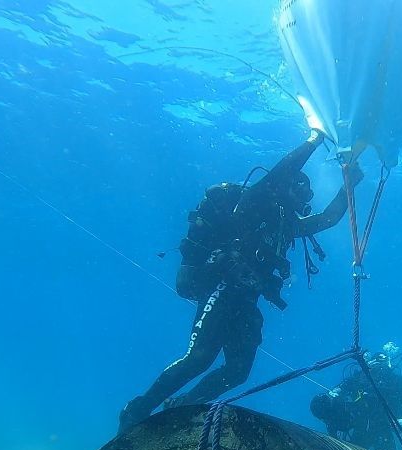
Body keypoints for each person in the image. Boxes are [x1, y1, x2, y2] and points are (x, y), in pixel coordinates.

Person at [119, 129, 362, 433]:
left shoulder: (286, 227)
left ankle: (181, 408)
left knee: (237, 371)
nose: (304, 200)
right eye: (300, 191)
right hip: (222, 288)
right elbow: (281, 171)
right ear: (285, 188)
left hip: (246, 302)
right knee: (199, 358)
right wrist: (313, 141)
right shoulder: (253, 203)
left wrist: (350, 184)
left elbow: (327, 219)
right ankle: (136, 412)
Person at [310, 342, 402, 450]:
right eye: (376, 365)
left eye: (382, 365)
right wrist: (333, 394)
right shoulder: (360, 378)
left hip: (383, 430)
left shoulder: (396, 383)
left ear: (388, 366)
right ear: (369, 365)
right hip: (361, 426)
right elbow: (339, 390)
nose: (379, 370)